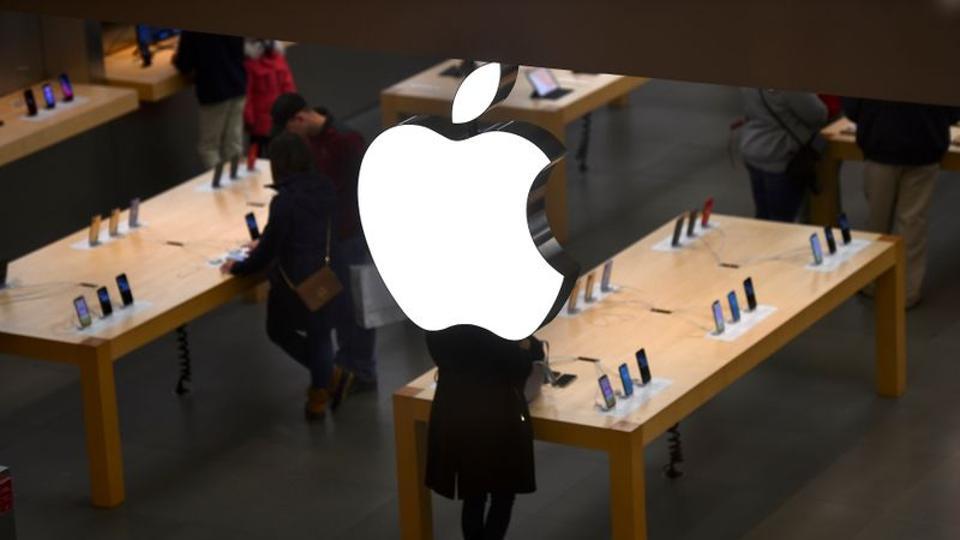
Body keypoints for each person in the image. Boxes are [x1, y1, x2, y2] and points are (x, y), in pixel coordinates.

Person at [220, 132, 339, 419]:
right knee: (320, 335)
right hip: (325, 273)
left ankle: (324, 383)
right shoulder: (325, 186)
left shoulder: (285, 201)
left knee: (278, 330)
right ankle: (323, 386)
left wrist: (237, 267)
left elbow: (269, 250)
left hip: (292, 282)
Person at [270, 93, 377, 398]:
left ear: (300, 119)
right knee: (342, 307)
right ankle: (346, 367)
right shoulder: (314, 142)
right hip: (331, 237)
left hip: (351, 234)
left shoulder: (347, 140)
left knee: (357, 307)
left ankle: (362, 370)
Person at [424, 325, 544, 540]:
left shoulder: (440, 324)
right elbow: (522, 364)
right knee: (504, 494)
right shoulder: (497, 327)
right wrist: (525, 347)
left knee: (474, 495)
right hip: (498, 417)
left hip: (457, 414)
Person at [843, 98, 960, 307]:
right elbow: (952, 110)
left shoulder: (872, 68)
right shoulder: (937, 69)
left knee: (877, 224)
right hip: (925, 148)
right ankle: (908, 292)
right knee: (913, 224)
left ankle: (872, 282)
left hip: (881, 146)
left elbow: (852, 107)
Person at [739, 88, 829, 222]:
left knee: (763, 216)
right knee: (782, 222)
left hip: (754, 149)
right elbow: (818, 115)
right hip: (781, 156)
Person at [174, 31, 247, 169]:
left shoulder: (193, 30)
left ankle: (220, 186)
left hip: (214, 90)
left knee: (209, 148)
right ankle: (237, 185)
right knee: (233, 144)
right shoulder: (229, 18)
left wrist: (176, 59)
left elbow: (184, 64)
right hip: (238, 84)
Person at [243, 39, 296, 156]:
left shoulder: (251, 65)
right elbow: (289, 89)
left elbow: (248, 96)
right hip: (271, 120)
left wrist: (248, 119)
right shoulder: (279, 61)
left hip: (263, 121)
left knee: (261, 157)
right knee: (272, 155)